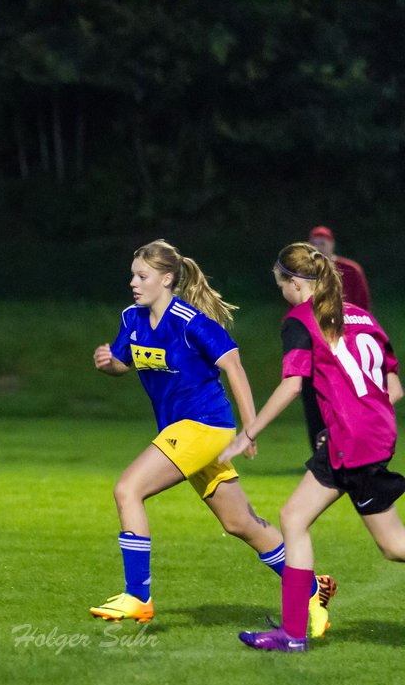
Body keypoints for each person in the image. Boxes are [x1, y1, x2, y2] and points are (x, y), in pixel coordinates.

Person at [90, 239, 335, 632]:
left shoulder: (190, 321)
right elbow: (123, 362)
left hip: (204, 425)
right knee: (242, 524)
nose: (133, 283)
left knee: (128, 489)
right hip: (181, 431)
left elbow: (234, 365)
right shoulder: (132, 319)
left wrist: (250, 428)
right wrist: (108, 363)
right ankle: (311, 588)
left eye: (142, 276)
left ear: (166, 278)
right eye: (132, 275)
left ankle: (138, 596)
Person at [222, 243, 405, 652]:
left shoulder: (300, 320)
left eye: (280, 284)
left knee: (393, 545)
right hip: (365, 436)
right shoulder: (362, 315)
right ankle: (292, 633)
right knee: (297, 518)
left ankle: (292, 633)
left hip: (355, 443)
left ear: (294, 283)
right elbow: (393, 388)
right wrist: (350, 419)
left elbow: (292, 384)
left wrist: (248, 433)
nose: (280, 293)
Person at [299, 226, 373, 450]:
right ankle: (320, 451)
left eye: (323, 242)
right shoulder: (303, 273)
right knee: (313, 398)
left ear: (332, 244)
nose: (319, 247)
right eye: (315, 242)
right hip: (315, 345)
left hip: (344, 344)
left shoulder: (350, 270)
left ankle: (349, 447)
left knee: (344, 397)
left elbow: (364, 307)